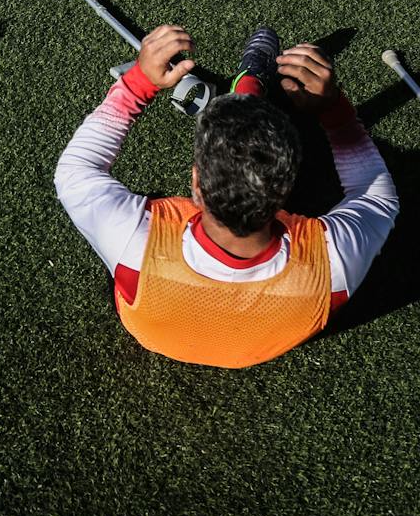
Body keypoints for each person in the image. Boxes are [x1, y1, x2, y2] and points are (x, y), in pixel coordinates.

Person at [55, 25, 396, 369]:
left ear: (196, 183)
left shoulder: (133, 238)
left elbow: (76, 169)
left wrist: (137, 83)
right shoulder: (333, 259)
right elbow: (378, 196)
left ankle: (249, 84)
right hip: (266, 340)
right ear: (288, 192)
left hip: (153, 331)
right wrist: (334, 111)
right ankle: (250, 83)